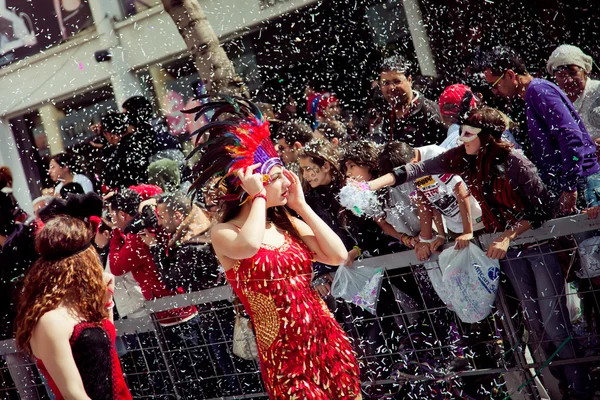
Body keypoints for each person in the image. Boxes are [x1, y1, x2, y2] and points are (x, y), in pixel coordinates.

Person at [368, 107, 590, 399]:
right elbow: (415, 170)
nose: (461, 139)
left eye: (468, 135)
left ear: (487, 137)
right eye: (460, 132)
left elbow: (542, 209)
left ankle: (580, 387)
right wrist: (368, 186)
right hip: (506, 252)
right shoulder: (463, 158)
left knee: (553, 322)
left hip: (536, 246)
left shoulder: (516, 163)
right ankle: (561, 385)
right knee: (533, 322)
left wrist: (510, 235)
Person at [189, 95, 361, 399]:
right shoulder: (224, 233)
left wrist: (302, 206)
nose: (287, 184)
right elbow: (249, 246)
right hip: (284, 353)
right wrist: (256, 198)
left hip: (324, 335)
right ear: (253, 183)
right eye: (278, 177)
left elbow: (336, 256)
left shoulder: (288, 223)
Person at [107, 187, 217, 399]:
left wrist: (115, 235)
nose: (159, 219)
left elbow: (116, 266)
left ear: (121, 214)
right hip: (178, 308)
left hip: (172, 314)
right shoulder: (152, 229)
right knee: (198, 372)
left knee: (190, 376)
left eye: (113, 215)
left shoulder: (137, 238)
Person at [13, 214, 132, 399]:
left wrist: (107, 300)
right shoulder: (49, 321)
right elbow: (74, 394)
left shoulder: (81, 305)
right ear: (83, 262)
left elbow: (105, 347)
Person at [142, 192, 247, 395]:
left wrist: (154, 248)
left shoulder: (194, 244)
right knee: (234, 370)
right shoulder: (201, 233)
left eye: (163, 216)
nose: (160, 222)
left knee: (235, 374)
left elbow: (170, 280)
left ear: (179, 216)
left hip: (219, 317)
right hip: (218, 313)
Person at [480, 46, 600, 215]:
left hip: (583, 182)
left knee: (593, 241)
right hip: (574, 182)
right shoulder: (529, 96)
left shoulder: (539, 91)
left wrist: (570, 186)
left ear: (510, 75)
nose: (494, 91)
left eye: (495, 84)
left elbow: (571, 137)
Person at [379, 54, 446, 146]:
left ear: (409, 80)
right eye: (386, 83)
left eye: (396, 81)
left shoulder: (430, 112)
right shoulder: (387, 114)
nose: (391, 88)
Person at [547, 44, 600, 141]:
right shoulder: (555, 102)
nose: (569, 80)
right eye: (561, 75)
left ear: (585, 71)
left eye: (573, 73)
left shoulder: (598, 90)